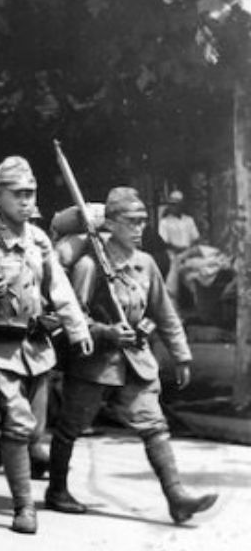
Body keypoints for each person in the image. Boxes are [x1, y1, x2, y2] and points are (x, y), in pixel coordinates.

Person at [45, 187, 218, 524]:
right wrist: (106, 332)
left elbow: (164, 312)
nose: (140, 228)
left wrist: (181, 356)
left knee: (153, 425)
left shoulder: (146, 264)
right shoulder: (89, 265)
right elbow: (73, 318)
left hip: (135, 363)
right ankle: (57, 490)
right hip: (94, 364)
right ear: (110, 223)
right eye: (131, 222)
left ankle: (176, 496)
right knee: (70, 427)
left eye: (143, 221)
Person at [0, 156, 92, 535]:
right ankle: (23, 506)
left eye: (31, 194)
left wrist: (78, 329)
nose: (26, 201)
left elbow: (58, 287)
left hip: (36, 346)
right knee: (17, 424)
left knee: (32, 431)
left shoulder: (39, 239)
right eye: (18, 194)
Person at [158, 190, 199, 303]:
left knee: (199, 274)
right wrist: (180, 250)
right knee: (175, 273)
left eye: (176, 204)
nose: (174, 207)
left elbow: (195, 238)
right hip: (174, 255)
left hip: (189, 253)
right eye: (171, 204)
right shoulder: (165, 222)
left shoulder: (189, 220)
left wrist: (189, 250)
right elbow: (165, 242)